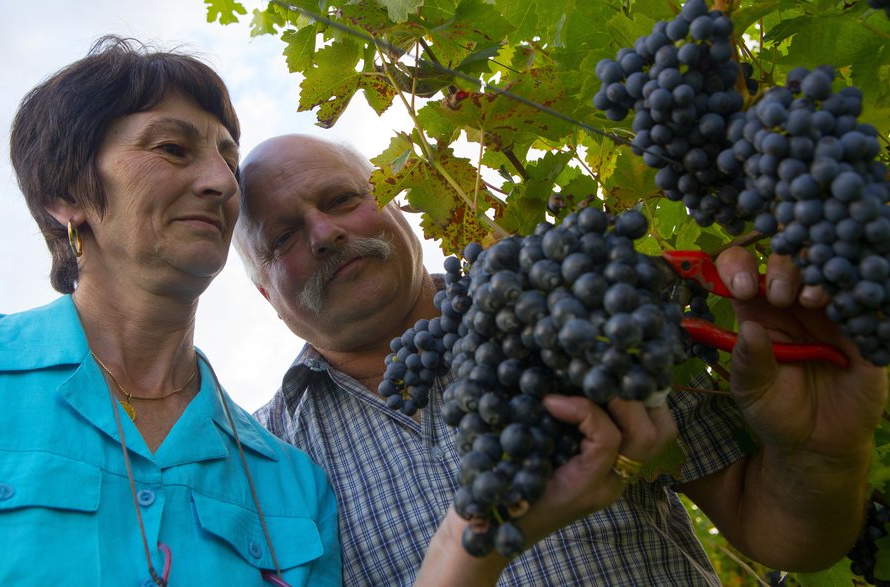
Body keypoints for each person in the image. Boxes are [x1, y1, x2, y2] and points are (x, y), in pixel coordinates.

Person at [234, 133, 888, 586]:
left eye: (341, 199)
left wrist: (821, 455)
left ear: (393, 199)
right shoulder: (253, 463)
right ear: (264, 290)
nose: (326, 235)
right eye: (284, 236)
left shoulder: (573, 307)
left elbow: (779, 534)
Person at [0, 39, 342, 586]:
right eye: (171, 148)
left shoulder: (296, 485)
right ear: (67, 194)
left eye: (229, 160)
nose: (221, 182)